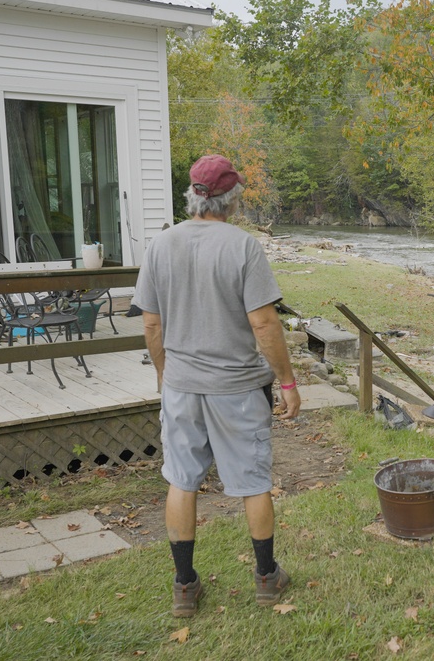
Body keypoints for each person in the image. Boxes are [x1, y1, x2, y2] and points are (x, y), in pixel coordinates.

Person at [133, 154, 301, 617]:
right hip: (239, 389)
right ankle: (267, 577)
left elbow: (151, 324)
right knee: (252, 482)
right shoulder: (243, 247)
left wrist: (165, 373)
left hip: (183, 386)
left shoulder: (160, 245)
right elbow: (265, 324)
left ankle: (184, 585)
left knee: (181, 481)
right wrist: (287, 382)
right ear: (232, 200)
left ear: (192, 195)